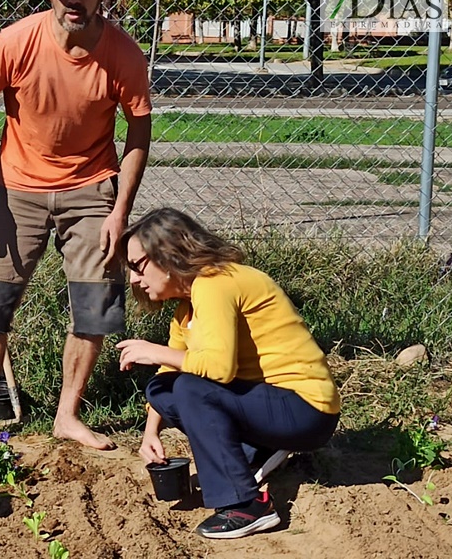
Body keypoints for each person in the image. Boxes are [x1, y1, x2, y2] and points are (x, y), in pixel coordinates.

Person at [0, 0, 152, 452]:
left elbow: (138, 131)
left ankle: (67, 416)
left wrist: (119, 210)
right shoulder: (16, 40)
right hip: (17, 188)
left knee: (95, 307)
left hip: (93, 188)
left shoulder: (124, 55)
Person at [116, 208, 341, 539]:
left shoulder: (215, 283)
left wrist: (154, 350)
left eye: (137, 266)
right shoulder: (186, 307)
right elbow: (170, 369)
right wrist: (151, 434)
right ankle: (257, 451)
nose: (133, 278)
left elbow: (219, 368)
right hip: (276, 405)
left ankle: (247, 505)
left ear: (168, 254)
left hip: (308, 410)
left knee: (192, 388)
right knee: (163, 388)